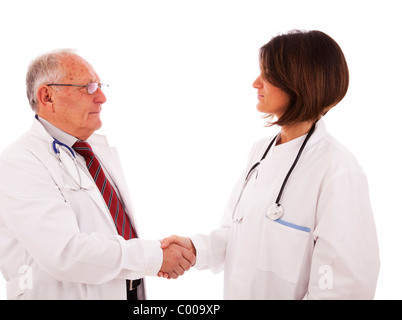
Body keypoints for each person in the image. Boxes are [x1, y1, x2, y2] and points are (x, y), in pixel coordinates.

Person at [161, 30, 380, 299]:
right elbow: (237, 235)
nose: (255, 83)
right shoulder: (260, 152)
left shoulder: (337, 169)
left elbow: (345, 287)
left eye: (267, 75)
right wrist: (195, 249)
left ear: (300, 82)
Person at [0, 49, 195, 300]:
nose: (102, 97)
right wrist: (155, 256)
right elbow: (64, 253)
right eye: (88, 87)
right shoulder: (20, 162)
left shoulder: (93, 153)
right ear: (47, 96)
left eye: (99, 86)